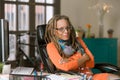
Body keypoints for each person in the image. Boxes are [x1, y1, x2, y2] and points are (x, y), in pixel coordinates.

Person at [44, 15, 120, 80]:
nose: (66, 31)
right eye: (61, 29)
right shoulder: (51, 46)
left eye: (68, 27)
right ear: (54, 31)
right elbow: (65, 67)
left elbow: (91, 62)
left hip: (89, 76)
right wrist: (83, 58)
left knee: (116, 78)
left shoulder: (78, 41)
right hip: (73, 77)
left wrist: (69, 60)